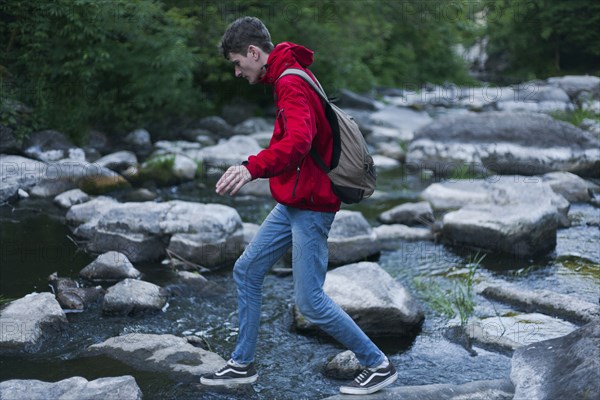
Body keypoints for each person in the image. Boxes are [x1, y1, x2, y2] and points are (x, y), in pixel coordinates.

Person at [200, 16, 397, 395]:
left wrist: (250, 167)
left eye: (238, 64)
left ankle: (378, 364)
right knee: (247, 271)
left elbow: (298, 144)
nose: (238, 73)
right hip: (295, 199)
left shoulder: (290, 81)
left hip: (312, 205)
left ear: (254, 53)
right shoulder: (292, 72)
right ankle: (242, 364)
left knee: (310, 301)